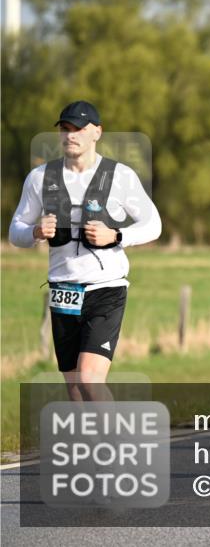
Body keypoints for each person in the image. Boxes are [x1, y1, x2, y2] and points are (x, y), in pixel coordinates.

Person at [8, 101, 162, 400]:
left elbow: (153, 224)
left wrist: (116, 235)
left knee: (89, 379)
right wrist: (36, 232)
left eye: (78, 128)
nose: (70, 135)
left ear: (97, 133)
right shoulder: (40, 178)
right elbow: (16, 230)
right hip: (62, 288)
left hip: (106, 288)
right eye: (65, 129)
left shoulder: (120, 176)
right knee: (75, 389)